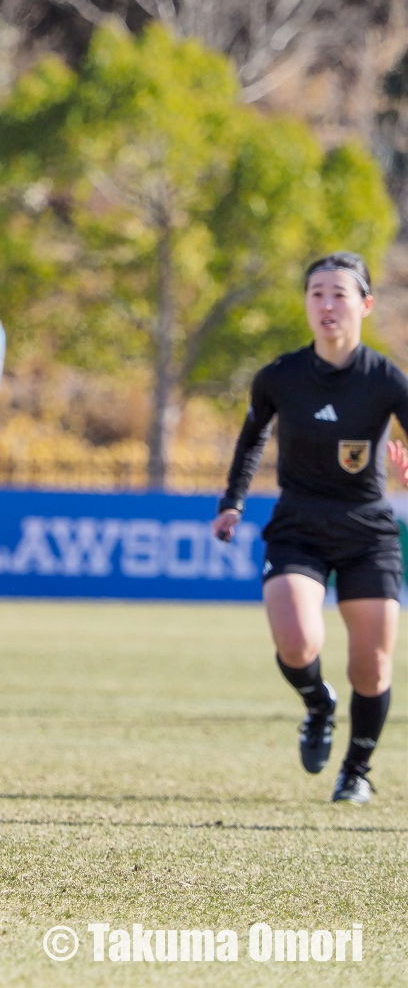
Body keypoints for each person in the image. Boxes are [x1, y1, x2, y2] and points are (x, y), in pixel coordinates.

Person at [214, 252, 408, 804]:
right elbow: (252, 439)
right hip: (298, 525)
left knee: (371, 666)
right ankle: (319, 705)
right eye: (316, 293)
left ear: (365, 305)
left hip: (368, 531)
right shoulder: (280, 376)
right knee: (298, 641)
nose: (326, 304)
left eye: (339, 294)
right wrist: (233, 503)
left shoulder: (388, 380)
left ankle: (357, 771)